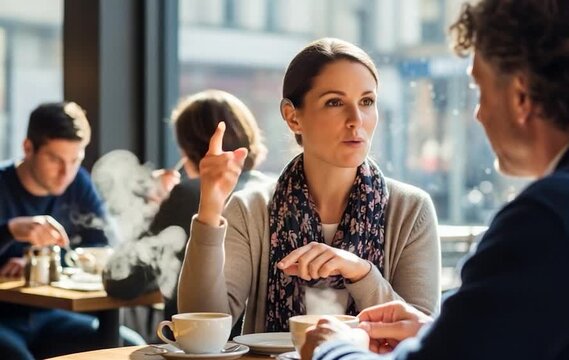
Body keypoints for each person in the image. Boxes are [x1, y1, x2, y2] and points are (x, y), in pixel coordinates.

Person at [301, 0, 569, 359]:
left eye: (479, 89)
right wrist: (442, 332)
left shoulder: (553, 218)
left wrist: (334, 349)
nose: (477, 114)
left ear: (521, 95)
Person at [178, 38, 441, 334]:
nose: (357, 120)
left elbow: (422, 337)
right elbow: (200, 325)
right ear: (293, 117)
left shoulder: (411, 210)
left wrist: (361, 273)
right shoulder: (251, 210)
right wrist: (211, 208)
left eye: (367, 101)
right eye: (334, 102)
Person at [102, 90, 270, 327]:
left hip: (195, 340)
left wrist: (155, 210)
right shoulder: (270, 191)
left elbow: (122, 281)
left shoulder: (189, 194)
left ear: (190, 151)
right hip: (256, 337)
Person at [0, 102, 119, 359]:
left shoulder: (79, 183)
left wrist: (42, 261)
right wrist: (9, 231)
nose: (66, 173)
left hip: (52, 315)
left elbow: (105, 244)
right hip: (4, 318)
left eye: (75, 160)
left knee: (127, 345)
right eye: (55, 159)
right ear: (28, 148)